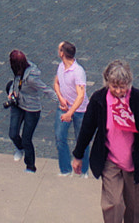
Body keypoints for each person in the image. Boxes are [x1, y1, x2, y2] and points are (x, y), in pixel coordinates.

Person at [74, 58, 139, 222]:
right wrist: (78, 155)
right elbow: (87, 128)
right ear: (107, 82)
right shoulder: (99, 100)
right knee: (114, 204)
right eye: (114, 86)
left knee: (134, 210)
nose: (119, 91)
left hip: (134, 162)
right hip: (110, 160)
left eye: (122, 86)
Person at [5, 49, 49, 171]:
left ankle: (30, 166)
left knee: (26, 139)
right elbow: (14, 82)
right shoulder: (17, 70)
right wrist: (11, 93)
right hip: (18, 104)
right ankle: (20, 148)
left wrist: (59, 100)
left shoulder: (31, 78)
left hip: (31, 108)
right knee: (13, 134)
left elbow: (45, 89)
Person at [52, 40, 87, 178]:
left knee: (82, 140)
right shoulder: (61, 66)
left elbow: (81, 96)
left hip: (79, 111)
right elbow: (56, 83)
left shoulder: (78, 72)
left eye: (59, 49)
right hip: (64, 107)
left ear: (62, 53)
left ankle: (83, 170)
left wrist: (70, 113)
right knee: (60, 137)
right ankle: (65, 169)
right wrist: (60, 97)